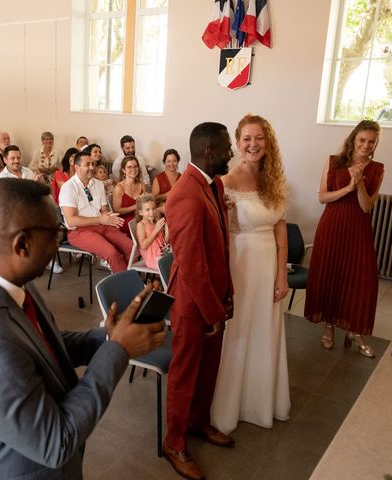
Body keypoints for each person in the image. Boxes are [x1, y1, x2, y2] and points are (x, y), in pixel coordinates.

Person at [0, 178, 166, 479]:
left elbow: (39, 349)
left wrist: (109, 336)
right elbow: (55, 442)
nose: (61, 241)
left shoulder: (6, 280)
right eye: (56, 232)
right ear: (22, 244)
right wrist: (118, 351)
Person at [211, 114, 291, 436]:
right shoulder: (227, 181)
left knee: (265, 329)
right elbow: (220, 233)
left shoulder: (275, 181)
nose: (253, 144)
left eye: (259, 138)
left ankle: (260, 402)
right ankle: (230, 406)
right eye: (246, 138)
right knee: (240, 331)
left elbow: (281, 232)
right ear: (238, 143)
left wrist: (281, 276)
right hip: (241, 265)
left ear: (267, 142)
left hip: (269, 265)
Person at [163, 122, 235, 480]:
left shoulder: (214, 183)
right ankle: (174, 442)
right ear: (209, 151)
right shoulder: (185, 195)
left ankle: (198, 422)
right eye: (226, 148)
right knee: (185, 372)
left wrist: (228, 294)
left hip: (213, 297)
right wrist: (211, 311)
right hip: (192, 303)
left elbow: (221, 244)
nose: (231, 154)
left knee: (209, 369)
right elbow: (191, 266)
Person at [305, 120, 385, 358]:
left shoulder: (377, 168)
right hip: (332, 225)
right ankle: (329, 325)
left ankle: (353, 329)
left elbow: (366, 206)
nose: (366, 145)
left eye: (371, 141)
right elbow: (322, 197)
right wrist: (347, 187)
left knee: (359, 279)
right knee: (331, 274)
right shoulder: (333, 162)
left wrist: (359, 183)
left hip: (358, 229)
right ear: (353, 139)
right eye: (362, 140)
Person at [60, 150, 132, 273]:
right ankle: (130, 286)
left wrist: (108, 216)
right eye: (87, 164)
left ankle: (128, 279)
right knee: (111, 252)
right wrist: (100, 219)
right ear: (76, 167)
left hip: (101, 225)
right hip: (78, 231)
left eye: (92, 164)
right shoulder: (68, 187)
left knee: (130, 247)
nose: (92, 167)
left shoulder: (98, 184)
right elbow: (71, 221)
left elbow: (104, 209)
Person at [135, 194, 169, 270]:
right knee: (175, 264)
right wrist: (156, 230)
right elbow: (143, 246)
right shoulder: (141, 225)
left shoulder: (154, 223)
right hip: (153, 258)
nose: (152, 212)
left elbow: (164, 244)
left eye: (153, 208)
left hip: (162, 254)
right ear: (141, 212)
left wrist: (167, 233)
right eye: (147, 210)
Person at [112, 156, 145, 235]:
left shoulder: (141, 184)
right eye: (129, 167)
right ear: (124, 170)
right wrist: (136, 206)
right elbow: (117, 210)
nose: (133, 169)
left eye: (135, 166)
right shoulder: (119, 187)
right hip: (126, 221)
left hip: (140, 217)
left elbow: (144, 205)